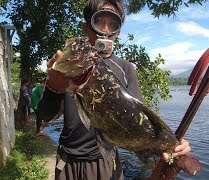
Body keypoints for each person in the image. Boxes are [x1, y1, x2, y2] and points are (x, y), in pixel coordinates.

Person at [38, 0, 192, 179]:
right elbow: (45, 116)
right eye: (99, 22)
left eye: (112, 24)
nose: (105, 29)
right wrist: (53, 88)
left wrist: (171, 143)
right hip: (67, 162)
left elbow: (141, 121)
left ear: (117, 32)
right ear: (86, 27)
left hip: (106, 163)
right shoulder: (74, 63)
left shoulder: (126, 69)